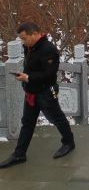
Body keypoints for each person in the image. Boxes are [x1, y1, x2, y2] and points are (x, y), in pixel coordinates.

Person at [0, 22, 75, 168]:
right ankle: (19, 154)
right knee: (27, 123)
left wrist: (28, 77)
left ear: (35, 34)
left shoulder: (49, 50)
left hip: (46, 91)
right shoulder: (29, 47)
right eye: (21, 39)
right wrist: (26, 79)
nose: (23, 41)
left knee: (57, 118)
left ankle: (69, 142)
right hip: (31, 91)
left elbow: (49, 74)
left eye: (24, 38)